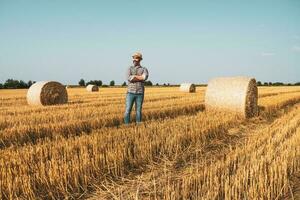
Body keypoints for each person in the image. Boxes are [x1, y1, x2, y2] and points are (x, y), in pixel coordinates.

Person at [124, 52, 149, 124]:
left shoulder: (144, 69)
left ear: (140, 60)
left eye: (136, 58)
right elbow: (129, 78)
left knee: (138, 111)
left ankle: (139, 125)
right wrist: (140, 77)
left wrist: (135, 77)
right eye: (134, 58)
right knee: (128, 110)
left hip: (140, 93)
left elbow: (145, 77)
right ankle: (127, 125)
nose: (134, 60)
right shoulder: (129, 68)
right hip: (130, 93)